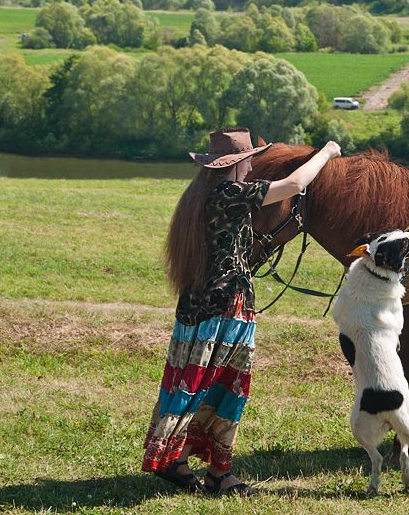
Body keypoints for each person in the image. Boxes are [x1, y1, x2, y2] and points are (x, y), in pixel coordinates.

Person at [142, 128, 341, 495]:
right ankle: (220, 473)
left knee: (194, 383)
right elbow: (295, 184)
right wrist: (326, 153)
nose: (252, 166)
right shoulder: (230, 194)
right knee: (231, 387)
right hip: (228, 307)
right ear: (233, 165)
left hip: (195, 305)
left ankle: (178, 459)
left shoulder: (198, 196)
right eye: (248, 160)